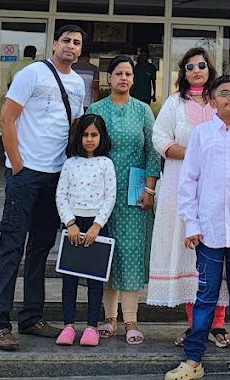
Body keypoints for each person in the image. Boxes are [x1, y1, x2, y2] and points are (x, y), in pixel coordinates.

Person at [0, 23, 87, 351]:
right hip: (26, 173)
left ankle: (31, 317)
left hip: (56, 177)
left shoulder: (77, 83)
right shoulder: (32, 73)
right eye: (66, 41)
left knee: (41, 247)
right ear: (55, 43)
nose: (71, 46)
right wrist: (17, 164)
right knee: (12, 247)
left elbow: (74, 126)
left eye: (76, 43)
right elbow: (7, 118)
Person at [167, 74, 230, 380]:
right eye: (223, 93)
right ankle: (193, 360)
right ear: (212, 102)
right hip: (208, 232)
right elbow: (189, 181)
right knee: (206, 297)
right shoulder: (201, 135)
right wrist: (191, 224)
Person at [150, 47, 230, 349]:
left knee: (220, 249)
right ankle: (195, 324)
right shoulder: (174, 103)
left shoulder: (223, 98)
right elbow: (159, 139)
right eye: (190, 67)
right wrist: (195, 154)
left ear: (210, 68)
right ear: (183, 73)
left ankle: (218, 323)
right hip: (181, 185)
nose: (196, 70)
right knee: (189, 251)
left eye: (201, 65)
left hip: (220, 189)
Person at [87, 55, 160, 343]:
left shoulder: (143, 111)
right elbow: (86, 146)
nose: (124, 78)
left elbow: (153, 152)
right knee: (106, 254)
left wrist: (150, 189)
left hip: (134, 195)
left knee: (130, 255)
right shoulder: (96, 109)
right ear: (109, 78)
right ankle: (109, 318)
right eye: (118, 73)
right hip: (100, 193)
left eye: (128, 74)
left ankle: (131, 320)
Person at [54, 113, 116, 348]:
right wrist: (70, 223)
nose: (89, 139)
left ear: (102, 137)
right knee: (69, 280)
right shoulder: (70, 163)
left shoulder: (106, 164)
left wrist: (97, 225)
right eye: (85, 135)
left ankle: (91, 326)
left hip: (96, 226)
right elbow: (61, 194)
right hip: (73, 225)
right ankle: (68, 325)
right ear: (78, 137)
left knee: (94, 280)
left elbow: (110, 196)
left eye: (94, 135)